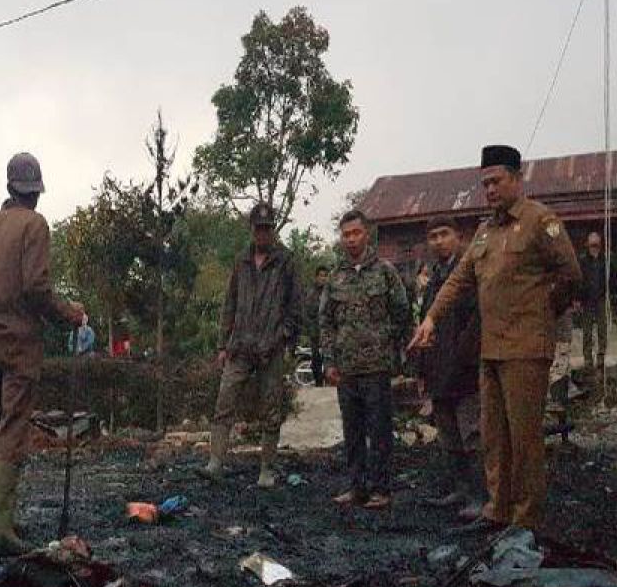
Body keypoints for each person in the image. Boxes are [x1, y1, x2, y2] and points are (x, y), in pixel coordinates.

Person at [410, 144, 581, 531]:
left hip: (526, 349)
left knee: (524, 440)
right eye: (484, 183)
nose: (489, 189)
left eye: (496, 181)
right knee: (493, 437)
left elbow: (570, 275)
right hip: (491, 350)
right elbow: (458, 279)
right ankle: (497, 511)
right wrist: (431, 318)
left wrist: (541, 312)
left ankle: (525, 520)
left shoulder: (541, 221)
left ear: (517, 180)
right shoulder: (485, 232)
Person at [0, 152, 86, 554]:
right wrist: (71, 315)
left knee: (1, 426)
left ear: (9, 188)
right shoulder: (35, 225)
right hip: (21, 346)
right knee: (12, 431)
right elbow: (37, 288)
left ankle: (1, 518)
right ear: (35, 192)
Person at [199, 202, 302, 489]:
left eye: (268, 229)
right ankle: (215, 462)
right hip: (240, 346)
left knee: (271, 409)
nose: (263, 234)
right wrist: (223, 343)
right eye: (258, 229)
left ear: (274, 230)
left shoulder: (286, 261)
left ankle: (267, 468)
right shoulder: (241, 261)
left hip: (271, 347)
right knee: (224, 402)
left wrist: (284, 337)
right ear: (252, 229)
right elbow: (229, 303)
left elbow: (296, 306)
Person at [320, 209, 411, 510]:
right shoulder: (335, 277)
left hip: (376, 367)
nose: (351, 240)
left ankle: (381, 489)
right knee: (353, 430)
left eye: (356, 233)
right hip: (346, 369)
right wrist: (330, 361)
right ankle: (356, 486)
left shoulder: (384, 272)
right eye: (346, 235)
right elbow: (326, 322)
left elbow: (401, 313)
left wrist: (391, 348)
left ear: (366, 234)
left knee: (380, 428)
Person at [415, 216, 484, 517]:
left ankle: (482, 497)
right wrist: (422, 368)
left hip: (466, 370)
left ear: (458, 236)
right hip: (439, 371)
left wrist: (465, 358)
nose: (439, 241)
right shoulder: (433, 278)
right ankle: (460, 490)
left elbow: (477, 322)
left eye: (444, 234)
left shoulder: (470, 272)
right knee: (449, 437)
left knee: (473, 436)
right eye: (433, 236)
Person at [577, 232, 609, 371]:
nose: (594, 247)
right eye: (592, 245)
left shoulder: (605, 260)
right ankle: (588, 358)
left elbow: (611, 277)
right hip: (587, 299)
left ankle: (601, 356)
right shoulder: (582, 261)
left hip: (601, 298)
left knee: (602, 329)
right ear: (587, 245)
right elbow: (578, 280)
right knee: (587, 331)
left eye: (596, 244)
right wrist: (577, 298)